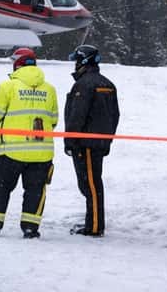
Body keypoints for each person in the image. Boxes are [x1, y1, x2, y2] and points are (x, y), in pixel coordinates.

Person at [0, 47, 59, 239]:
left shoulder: (7, 87)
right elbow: (53, 120)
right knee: (36, 191)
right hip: (42, 153)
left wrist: (1, 137)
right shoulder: (50, 89)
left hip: (11, 152)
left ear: (17, 64)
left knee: (0, 188)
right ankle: (30, 228)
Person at [63, 43, 120, 236]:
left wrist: (70, 140)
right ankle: (93, 221)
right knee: (91, 183)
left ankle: (95, 226)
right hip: (98, 142)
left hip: (86, 143)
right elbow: (115, 115)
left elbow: (77, 115)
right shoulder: (107, 83)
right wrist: (108, 138)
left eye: (77, 61)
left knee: (91, 185)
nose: (75, 65)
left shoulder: (84, 84)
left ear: (84, 61)